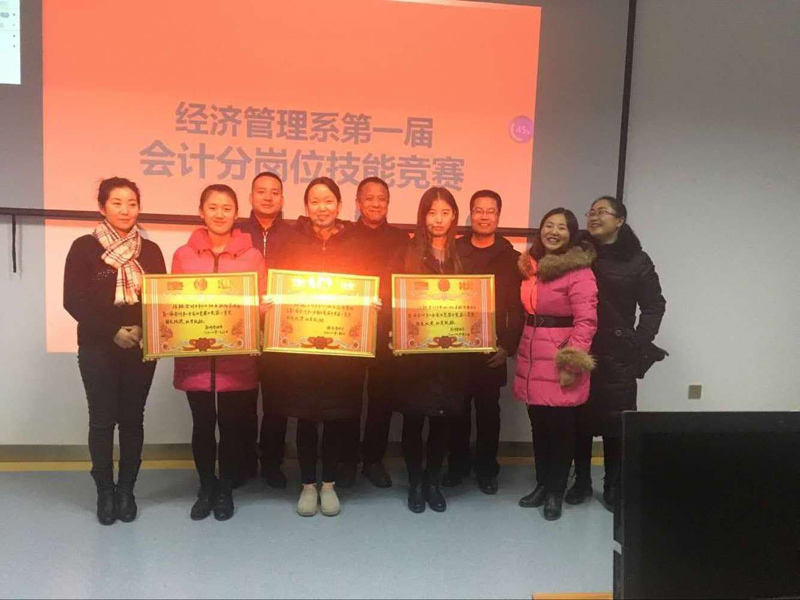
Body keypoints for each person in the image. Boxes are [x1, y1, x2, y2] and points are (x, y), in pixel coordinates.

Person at [266, 177, 372, 517]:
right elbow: (276, 283)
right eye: (315, 201)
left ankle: (329, 484)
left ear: (339, 205)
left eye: (328, 201)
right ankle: (308, 485)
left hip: (342, 351)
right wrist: (272, 304)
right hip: (302, 351)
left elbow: (370, 285)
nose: (321, 208)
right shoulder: (290, 240)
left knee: (337, 419)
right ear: (306, 206)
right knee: (307, 419)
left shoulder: (357, 242)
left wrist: (372, 304)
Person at [64, 177, 166, 525]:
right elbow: (73, 300)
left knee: (133, 420)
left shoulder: (150, 251)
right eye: (117, 203)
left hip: (140, 346)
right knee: (102, 420)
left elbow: (160, 299)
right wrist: (112, 332)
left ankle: (126, 491)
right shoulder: (84, 247)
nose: (125, 210)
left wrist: (141, 329)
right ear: (102, 207)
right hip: (98, 348)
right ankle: (105, 492)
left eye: (132, 203)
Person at [172, 184, 266, 522]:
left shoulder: (252, 256)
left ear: (236, 213)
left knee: (231, 426)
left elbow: (261, 303)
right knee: (202, 425)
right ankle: (205, 487)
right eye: (213, 207)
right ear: (201, 211)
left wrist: (262, 308)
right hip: (195, 356)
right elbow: (172, 304)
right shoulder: (183, 255)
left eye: (227, 208)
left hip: (236, 358)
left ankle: (225, 488)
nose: (219, 214)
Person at [566, 196, 666, 511]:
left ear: (620, 220)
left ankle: (613, 485)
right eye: (591, 212)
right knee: (578, 421)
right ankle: (581, 481)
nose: (594, 217)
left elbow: (654, 305)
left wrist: (639, 341)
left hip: (617, 353)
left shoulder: (637, 260)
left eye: (602, 212)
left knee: (615, 424)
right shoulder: (576, 253)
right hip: (578, 347)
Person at [515, 208, 598, 521]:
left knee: (561, 431)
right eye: (548, 225)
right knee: (539, 426)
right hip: (532, 353)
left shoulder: (580, 271)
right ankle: (542, 484)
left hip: (560, 356)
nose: (553, 232)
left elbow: (586, 321)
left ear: (571, 234)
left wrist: (571, 363)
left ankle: (555, 492)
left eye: (561, 227)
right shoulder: (531, 266)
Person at [391, 186, 468, 514]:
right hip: (415, 355)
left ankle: (433, 481)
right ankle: (415, 482)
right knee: (413, 420)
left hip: (451, 356)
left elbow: (476, 303)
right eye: (432, 212)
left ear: (454, 216)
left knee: (442, 421)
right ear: (422, 216)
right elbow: (393, 299)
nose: (438, 219)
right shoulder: (406, 252)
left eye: (445, 213)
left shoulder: (463, 255)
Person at [442, 189, 524, 494]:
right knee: (457, 412)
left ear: (498, 216)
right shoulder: (453, 251)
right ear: (470, 214)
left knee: (489, 413)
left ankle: (487, 469)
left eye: (491, 211)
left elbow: (517, 308)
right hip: (456, 347)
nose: (484, 216)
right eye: (478, 210)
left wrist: (507, 347)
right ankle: (457, 466)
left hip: (493, 348)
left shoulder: (511, 258)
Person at [337, 177, 410, 489]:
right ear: (358, 203)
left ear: (388, 203)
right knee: (347, 396)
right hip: (348, 329)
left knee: (382, 398)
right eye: (369, 198)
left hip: (387, 329)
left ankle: (373, 460)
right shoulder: (343, 236)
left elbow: (407, 283)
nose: (376, 203)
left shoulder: (401, 240)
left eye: (382, 198)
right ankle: (346, 460)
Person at [234, 171, 297, 489]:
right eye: (262, 191)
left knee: (276, 402)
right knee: (242, 400)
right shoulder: (235, 232)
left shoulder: (295, 234)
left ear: (282, 199)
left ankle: (272, 463)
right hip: (241, 326)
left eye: (274, 192)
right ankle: (243, 461)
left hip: (281, 328)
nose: (268, 197)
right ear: (251, 197)